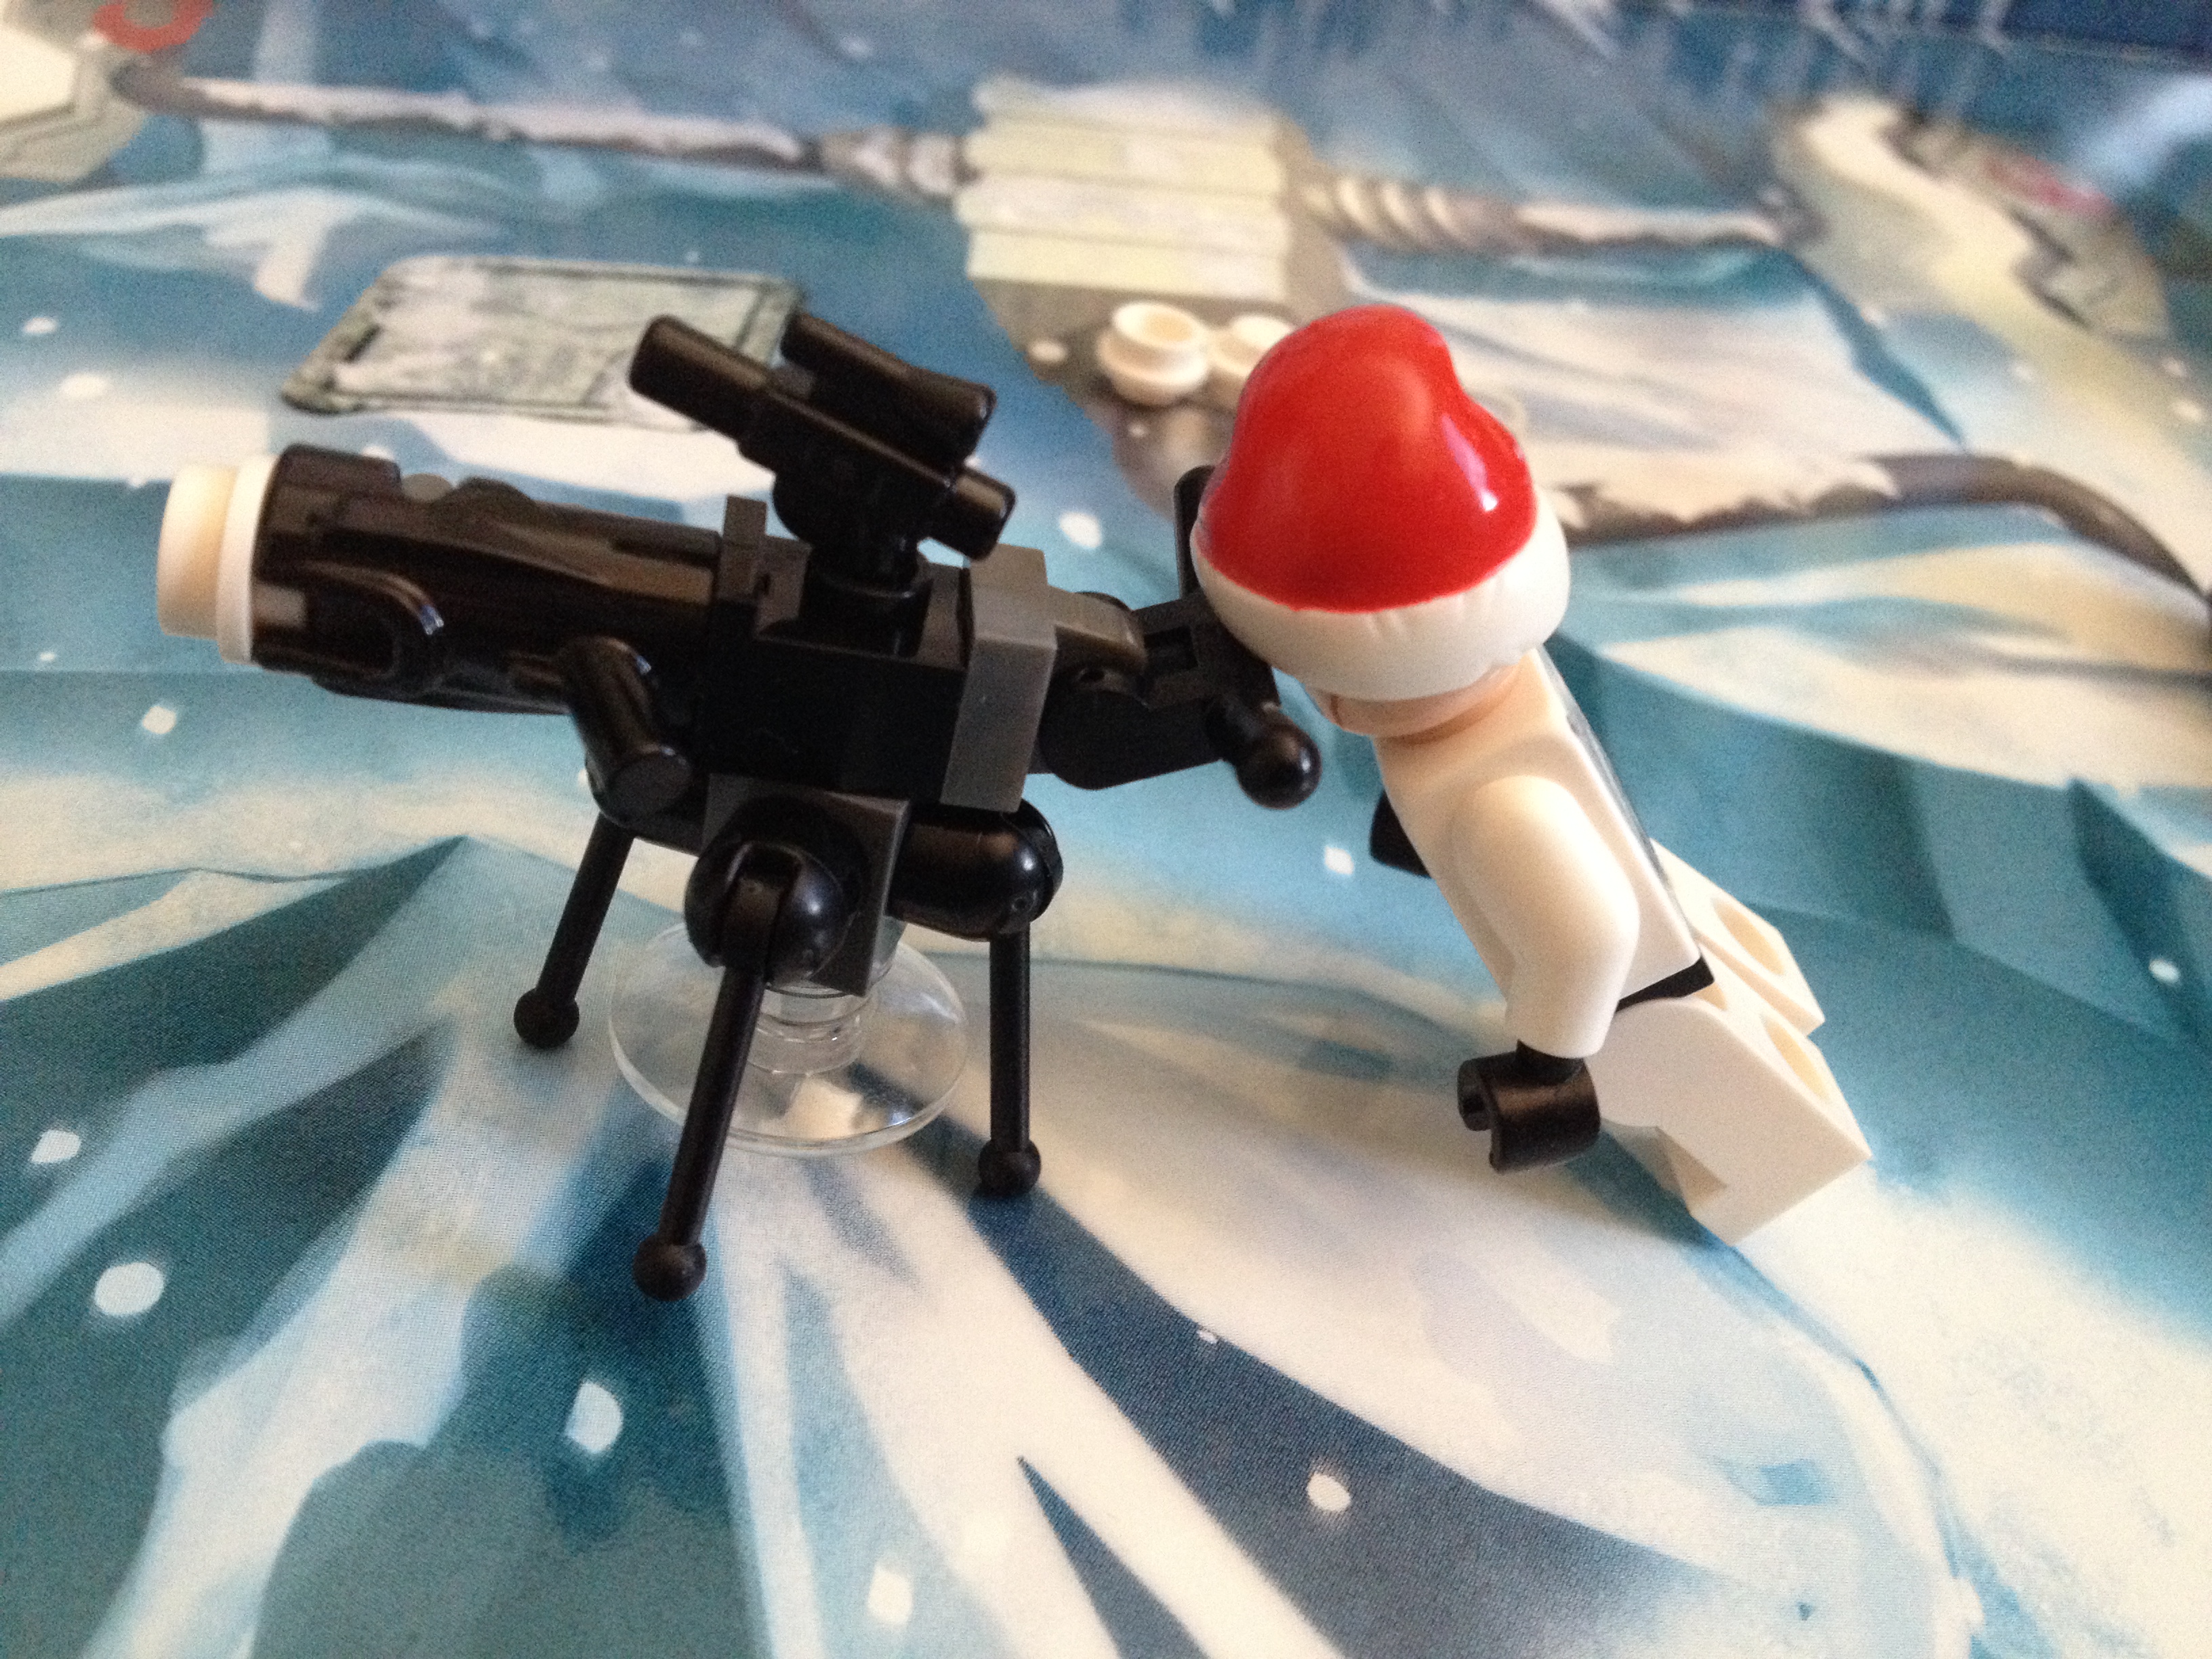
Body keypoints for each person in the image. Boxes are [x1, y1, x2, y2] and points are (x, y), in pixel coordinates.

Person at [1191, 304, 1868, 1241]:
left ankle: (1764, 1177)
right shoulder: (1505, 691)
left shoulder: (1497, 803)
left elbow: (1588, 937)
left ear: (1361, 673)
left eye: (1317, 676)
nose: (1317, 699)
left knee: (1746, 1146)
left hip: (1639, 1024)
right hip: (1671, 950)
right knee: (1732, 1071)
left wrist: (1546, 1067)